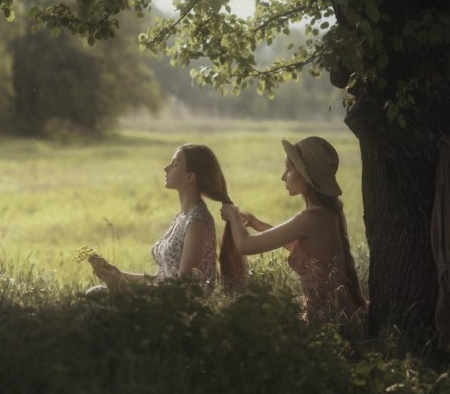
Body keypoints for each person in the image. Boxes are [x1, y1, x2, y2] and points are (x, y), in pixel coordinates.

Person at [220, 136, 367, 324]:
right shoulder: (329, 213)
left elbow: (245, 246)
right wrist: (257, 224)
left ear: (306, 176)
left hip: (328, 320)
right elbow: (299, 245)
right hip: (338, 312)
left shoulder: (310, 218)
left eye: (289, 170)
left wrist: (233, 216)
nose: (283, 176)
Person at [87, 144, 248, 290]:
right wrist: (118, 275)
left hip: (180, 311)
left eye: (175, 164)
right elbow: (161, 279)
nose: (166, 168)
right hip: (163, 300)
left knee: (96, 295)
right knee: (96, 293)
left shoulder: (197, 222)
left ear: (190, 177)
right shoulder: (182, 217)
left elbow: (181, 288)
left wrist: (124, 286)